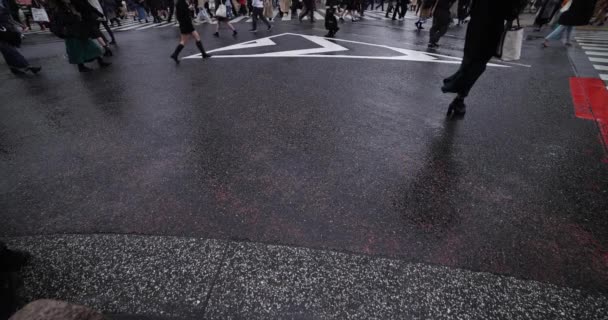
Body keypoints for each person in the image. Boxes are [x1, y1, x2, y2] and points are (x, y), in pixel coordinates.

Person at [440, 0, 520, 117]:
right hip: (491, 30)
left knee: (469, 63)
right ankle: (458, 94)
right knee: (477, 66)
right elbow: (510, 14)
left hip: (476, 26)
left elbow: (472, 7)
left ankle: (457, 92)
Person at [48, 0, 111, 72]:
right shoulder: (60, 9)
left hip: (79, 30)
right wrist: (75, 16)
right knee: (77, 51)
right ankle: (82, 67)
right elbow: (63, 21)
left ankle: (100, 62)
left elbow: (86, 7)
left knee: (92, 47)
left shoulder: (71, 5)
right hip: (71, 33)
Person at [0, 0, 41, 74]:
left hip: (6, 30)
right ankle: (27, 66)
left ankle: (14, 68)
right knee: (10, 50)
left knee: (7, 51)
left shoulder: (4, 3)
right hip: (3, 30)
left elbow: (9, 19)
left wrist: (20, 26)